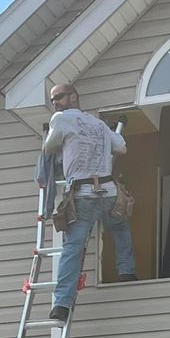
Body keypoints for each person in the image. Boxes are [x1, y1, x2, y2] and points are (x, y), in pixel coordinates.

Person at [36, 83, 136, 323]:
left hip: (82, 194)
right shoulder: (98, 124)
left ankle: (61, 304)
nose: (55, 103)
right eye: (53, 99)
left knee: (72, 248)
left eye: (58, 97)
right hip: (107, 191)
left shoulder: (60, 119)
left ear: (73, 96)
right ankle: (127, 271)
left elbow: (49, 146)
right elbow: (121, 148)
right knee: (120, 227)